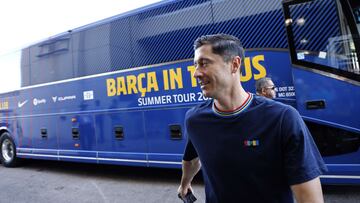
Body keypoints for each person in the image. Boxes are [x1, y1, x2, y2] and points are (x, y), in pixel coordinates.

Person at [177, 34, 327, 203]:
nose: (196, 73)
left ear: (234, 65)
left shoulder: (283, 118)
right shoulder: (194, 120)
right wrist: (185, 183)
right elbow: (192, 158)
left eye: (204, 63)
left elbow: (309, 198)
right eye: (195, 65)